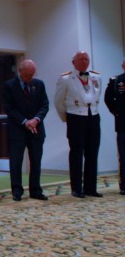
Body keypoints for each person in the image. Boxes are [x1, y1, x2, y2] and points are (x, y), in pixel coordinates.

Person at [54, 51, 102, 198]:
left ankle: (90, 188)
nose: (84, 61)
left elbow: (96, 97)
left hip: (93, 117)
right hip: (75, 118)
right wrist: (68, 118)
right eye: (81, 59)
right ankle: (76, 188)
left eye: (86, 59)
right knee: (76, 153)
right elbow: (58, 102)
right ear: (73, 62)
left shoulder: (96, 76)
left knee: (92, 153)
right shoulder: (66, 78)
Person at [2, 60, 49, 201]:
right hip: (18, 129)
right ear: (19, 71)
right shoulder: (9, 86)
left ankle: (35, 190)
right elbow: (9, 108)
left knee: (36, 160)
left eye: (32, 74)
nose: (30, 77)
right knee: (16, 161)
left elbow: (45, 105)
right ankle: (17, 190)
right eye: (28, 74)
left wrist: (36, 119)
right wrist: (25, 121)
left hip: (36, 129)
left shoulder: (39, 84)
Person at [103, 58, 125, 195]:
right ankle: (124, 185)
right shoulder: (117, 81)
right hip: (123, 124)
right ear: (123, 66)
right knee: (123, 156)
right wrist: (116, 112)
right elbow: (108, 99)